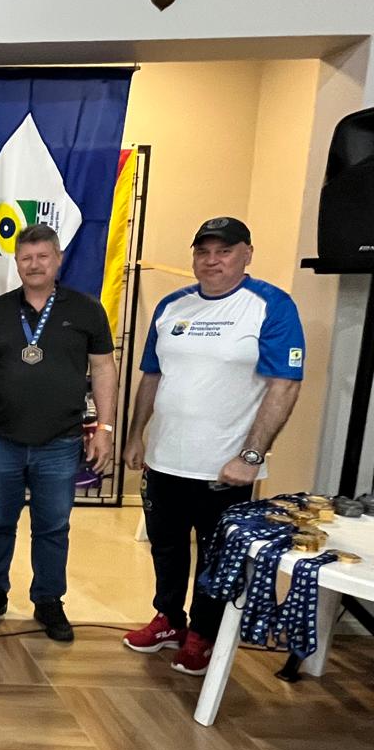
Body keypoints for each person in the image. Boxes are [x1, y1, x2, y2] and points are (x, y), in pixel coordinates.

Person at [123, 216, 304, 675]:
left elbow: (285, 384)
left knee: (217, 556)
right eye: (203, 252)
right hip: (165, 460)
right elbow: (152, 375)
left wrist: (251, 456)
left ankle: (203, 635)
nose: (212, 260)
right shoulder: (172, 306)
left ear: (247, 254)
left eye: (224, 251)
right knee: (166, 547)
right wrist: (136, 434)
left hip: (225, 469)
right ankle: (169, 619)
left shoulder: (270, 305)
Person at [0, 224, 117, 642]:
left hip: (61, 441)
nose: (34, 265)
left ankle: (49, 600)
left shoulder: (87, 310)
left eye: (42, 256)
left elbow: (103, 368)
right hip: (3, 438)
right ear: (16, 263)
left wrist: (105, 427)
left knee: (52, 527)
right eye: (26, 258)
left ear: (58, 259)